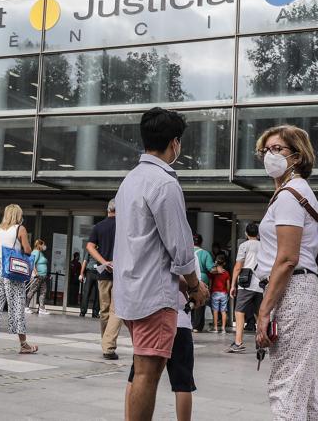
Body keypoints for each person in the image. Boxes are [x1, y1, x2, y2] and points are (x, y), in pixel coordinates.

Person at [116, 107, 208, 421]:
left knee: (141, 369)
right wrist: (195, 286)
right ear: (174, 143)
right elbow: (180, 247)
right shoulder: (163, 183)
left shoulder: (130, 180)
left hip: (132, 290)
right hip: (154, 296)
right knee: (146, 373)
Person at [254, 125, 318, 421]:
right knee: (304, 387)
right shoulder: (294, 192)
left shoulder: (291, 194)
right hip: (301, 290)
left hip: (292, 291)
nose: (270, 155)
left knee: (286, 388)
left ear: (297, 155)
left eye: (278, 149)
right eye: (266, 150)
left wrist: (264, 311)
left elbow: (288, 258)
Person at [128, 273, 198, 421]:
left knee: (137, 376)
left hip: (151, 317)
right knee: (183, 383)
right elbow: (195, 287)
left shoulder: (150, 256)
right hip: (180, 320)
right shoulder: (187, 257)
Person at [0, 203, 39, 356]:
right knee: (16, 306)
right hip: (13, 270)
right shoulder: (20, 229)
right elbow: (28, 250)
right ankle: (24, 345)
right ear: (18, 215)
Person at [87, 200, 121, 359]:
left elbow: (89, 246)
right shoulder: (124, 226)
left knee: (105, 310)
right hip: (121, 274)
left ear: (107, 209)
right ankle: (108, 347)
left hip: (103, 274)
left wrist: (103, 262)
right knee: (117, 310)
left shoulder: (98, 227)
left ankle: (105, 343)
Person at [226, 222, 262, 353]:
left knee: (239, 312)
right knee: (260, 314)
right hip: (261, 284)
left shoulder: (244, 246)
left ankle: (238, 342)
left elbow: (238, 266)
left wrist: (233, 285)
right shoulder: (264, 246)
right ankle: (262, 343)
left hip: (246, 284)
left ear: (246, 233)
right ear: (258, 233)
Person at [192, 234, 214, 333]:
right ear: (201, 242)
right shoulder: (205, 253)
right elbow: (211, 268)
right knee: (200, 302)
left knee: (188, 301)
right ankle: (197, 326)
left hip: (187, 277)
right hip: (202, 279)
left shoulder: (187, 251)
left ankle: (189, 324)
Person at [26, 239, 50, 315]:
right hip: (38, 276)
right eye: (43, 245)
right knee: (32, 291)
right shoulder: (36, 252)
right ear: (39, 245)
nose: (44, 246)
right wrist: (36, 273)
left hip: (42, 276)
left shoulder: (40, 253)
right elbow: (32, 262)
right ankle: (25, 307)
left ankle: (41, 308)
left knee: (43, 291)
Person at [209, 254, 231, 334]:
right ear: (224, 263)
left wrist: (209, 291)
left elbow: (211, 283)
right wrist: (227, 292)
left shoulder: (214, 273)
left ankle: (215, 328)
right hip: (224, 293)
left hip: (215, 292)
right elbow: (228, 285)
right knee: (223, 311)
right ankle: (223, 328)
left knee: (215, 311)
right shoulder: (226, 273)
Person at [78, 250, 100, 318]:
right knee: (86, 292)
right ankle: (83, 311)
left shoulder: (102, 249)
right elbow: (85, 261)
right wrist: (81, 273)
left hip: (99, 272)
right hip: (89, 272)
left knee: (98, 293)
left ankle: (95, 313)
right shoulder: (90, 249)